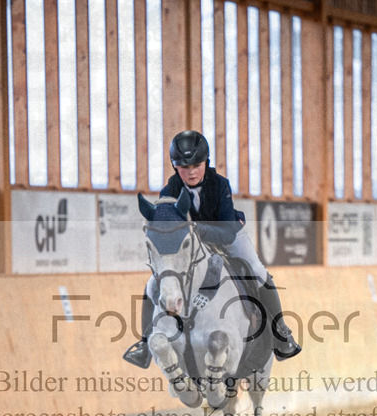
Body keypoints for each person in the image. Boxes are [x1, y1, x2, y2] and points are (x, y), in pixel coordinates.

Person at [123, 130, 301, 368]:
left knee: (258, 271)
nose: (191, 172)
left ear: (206, 163)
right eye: (184, 167)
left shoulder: (220, 184)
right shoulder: (169, 190)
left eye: (196, 165)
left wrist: (196, 229)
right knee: (151, 284)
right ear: (175, 166)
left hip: (227, 234)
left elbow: (227, 232)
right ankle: (145, 343)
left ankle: (281, 333)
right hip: (191, 245)